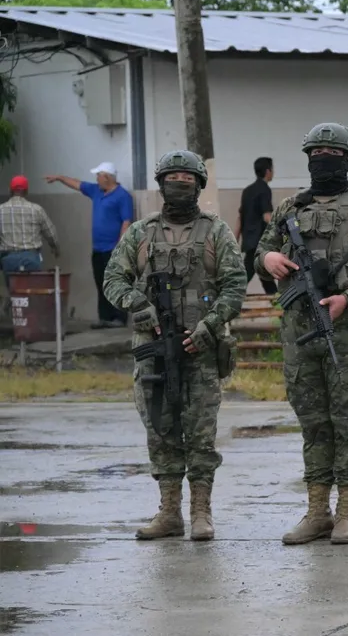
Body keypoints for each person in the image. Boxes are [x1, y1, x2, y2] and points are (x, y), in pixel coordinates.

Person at [256, 123, 348, 546]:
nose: (323, 158)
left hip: (345, 332)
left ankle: (347, 512)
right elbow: (262, 250)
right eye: (316, 152)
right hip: (298, 331)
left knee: (347, 422)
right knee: (313, 424)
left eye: (332, 152)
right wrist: (270, 259)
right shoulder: (289, 207)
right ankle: (317, 512)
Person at [102, 150, 247, 541]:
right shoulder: (141, 233)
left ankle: (201, 511)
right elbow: (113, 278)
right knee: (161, 430)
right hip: (154, 347)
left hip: (200, 348)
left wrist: (211, 324)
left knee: (200, 433)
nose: (179, 183)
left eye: (187, 178)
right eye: (172, 177)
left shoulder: (215, 232)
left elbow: (235, 287)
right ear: (161, 183)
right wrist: (139, 305)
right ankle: (169, 511)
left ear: (198, 185)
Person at [46, 162, 134, 328]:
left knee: (115, 283)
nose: (96, 179)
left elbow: (126, 222)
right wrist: (59, 178)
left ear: (107, 177)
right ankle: (105, 318)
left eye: (98, 175)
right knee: (100, 283)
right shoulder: (96, 191)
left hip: (112, 249)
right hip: (98, 248)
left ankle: (119, 318)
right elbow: (77, 184)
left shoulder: (122, 196)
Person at [1, 175, 61, 292]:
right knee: (33, 294)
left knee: (14, 294)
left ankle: (15, 308)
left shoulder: (1, 210)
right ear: (26, 191)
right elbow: (50, 233)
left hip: (9, 260)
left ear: (10, 190)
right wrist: (55, 248)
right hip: (31, 259)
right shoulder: (36, 209)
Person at [236, 157, 278, 295]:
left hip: (249, 239)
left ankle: (277, 300)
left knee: (263, 272)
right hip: (259, 239)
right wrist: (281, 231)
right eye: (272, 169)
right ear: (268, 171)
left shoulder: (247, 191)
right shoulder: (264, 189)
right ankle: (230, 295)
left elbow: (240, 217)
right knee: (248, 271)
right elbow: (267, 216)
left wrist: (234, 238)